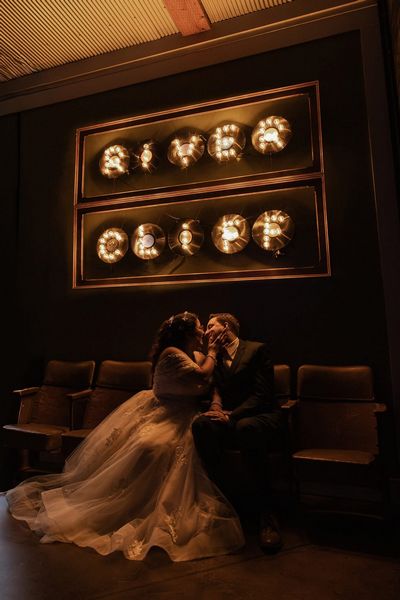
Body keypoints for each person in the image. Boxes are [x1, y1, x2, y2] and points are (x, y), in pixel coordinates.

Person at [5, 312, 244, 562]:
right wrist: (213, 351)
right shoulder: (171, 353)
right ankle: (128, 506)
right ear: (186, 333)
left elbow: (211, 379)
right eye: (199, 328)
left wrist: (215, 395)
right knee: (152, 446)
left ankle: (154, 505)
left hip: (183, 415)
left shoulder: (195, 354)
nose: (203, 332)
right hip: (164, 411)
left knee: (174, 450)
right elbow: (202, 375)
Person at [191, 313, 283, 552]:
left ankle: (266, 516)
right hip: (227, 414)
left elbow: (262, 395)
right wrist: (216, 407)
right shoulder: (215, 356)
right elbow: (215, 388)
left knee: (246, 428)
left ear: (226, 326)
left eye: (210, 326)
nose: (206, 332)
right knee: (201, 425)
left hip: (259, 414)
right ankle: (223, 504)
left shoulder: (256, 349)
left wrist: (232, 416)